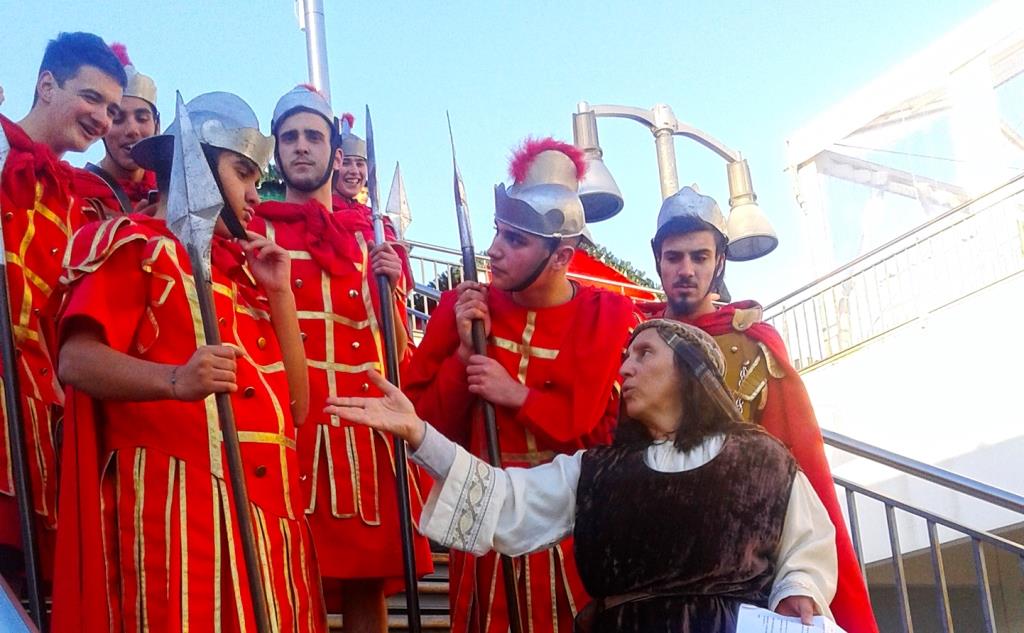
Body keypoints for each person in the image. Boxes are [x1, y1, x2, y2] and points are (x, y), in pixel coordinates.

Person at [331, 319, 838, 632]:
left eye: (644, 354)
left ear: (690, 371)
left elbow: (807, 549)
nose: (625, 371)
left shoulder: (760, 459)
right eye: (625, 358)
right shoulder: (599, 473)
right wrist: (421, 434)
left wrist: (801, 589)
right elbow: (502, 499)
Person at [52, 91, 326, 632]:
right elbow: (77, 360)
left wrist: (280, 296)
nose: (255, 193)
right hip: (175, 507)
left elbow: (297, 409)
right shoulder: (135, 244)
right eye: (243, 172)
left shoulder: (244, 273)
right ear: (196, 163)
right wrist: (175, 380)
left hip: (270, 516)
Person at [403, 138, 639, 633]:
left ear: (561, 256)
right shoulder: (462, 307)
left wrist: (515, 394)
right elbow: (422, 424)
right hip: (484, 522)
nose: (494, 250)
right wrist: (464, 359)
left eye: (515, 239)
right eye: (497, 233)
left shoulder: (606, 316)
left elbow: (582, 422)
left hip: (570, 527)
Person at [639, 186, 878, 633]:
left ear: (720, 261)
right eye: (674, 257)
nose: (686, 270)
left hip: (743, 561)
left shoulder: (754, 346)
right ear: (657, 259)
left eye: (700, 256)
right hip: (651, 562)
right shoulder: (635, 344)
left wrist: (800, 580)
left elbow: (794, 474)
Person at [251, 85, 431, 633]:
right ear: (275, 151)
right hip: (290, 423)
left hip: (363, 429)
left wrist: (392, 289)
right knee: (281, 573)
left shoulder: (371, 239)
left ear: (335, 151)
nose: (301, 147)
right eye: (289, 138)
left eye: (314, 136)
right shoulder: (255, 226)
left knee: (364, 582)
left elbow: (398, 350)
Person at [0, 31, 125, 584]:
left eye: (113, 108)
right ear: (46, 85)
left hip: (33, 423)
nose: (103, 118)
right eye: (92, 98)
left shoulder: (79, 199)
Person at [76, 43, 160, 216]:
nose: (132, 130)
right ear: (102, 127)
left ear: (157, 126)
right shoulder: (78, 191)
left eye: (142, 118)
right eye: (118, 119)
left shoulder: (173, 191)